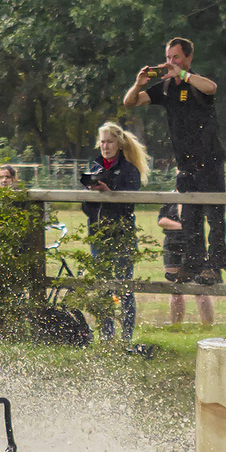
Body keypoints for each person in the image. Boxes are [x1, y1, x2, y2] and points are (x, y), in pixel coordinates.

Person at [122, 36, 226, 284]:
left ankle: (214, 267)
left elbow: (212, 88)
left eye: (176, 57)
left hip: (210, 162)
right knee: (189, 219)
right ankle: (193, 266)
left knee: (214, 217)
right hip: (186, 165)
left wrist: (184, 74)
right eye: (168, 57)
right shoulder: (166, 88)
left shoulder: (196, 84)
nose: (170, 62)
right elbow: (130, 103)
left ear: (189, 58)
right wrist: (138, 84)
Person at [80, 122, 150, 342]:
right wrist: (90, 192)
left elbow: (128, 205)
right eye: (102, 141)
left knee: (124, 286)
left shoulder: (130, 170)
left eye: (109, 141)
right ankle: (106, 335)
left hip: (122, 235)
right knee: (102, 286)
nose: (105, 146)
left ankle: (126, 336)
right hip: (98, 234)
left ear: (119, 144)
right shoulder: (93, 167)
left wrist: (110, 193)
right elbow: (86, 209)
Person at [158, 203, 215, 326]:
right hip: (172, 246)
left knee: (200, 288)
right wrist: (184, 226)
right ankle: (176, 325)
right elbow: (161, 221)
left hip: (194, 246)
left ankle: (208, 325)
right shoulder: (170, 200)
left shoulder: (196, 199)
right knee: (175, 289)